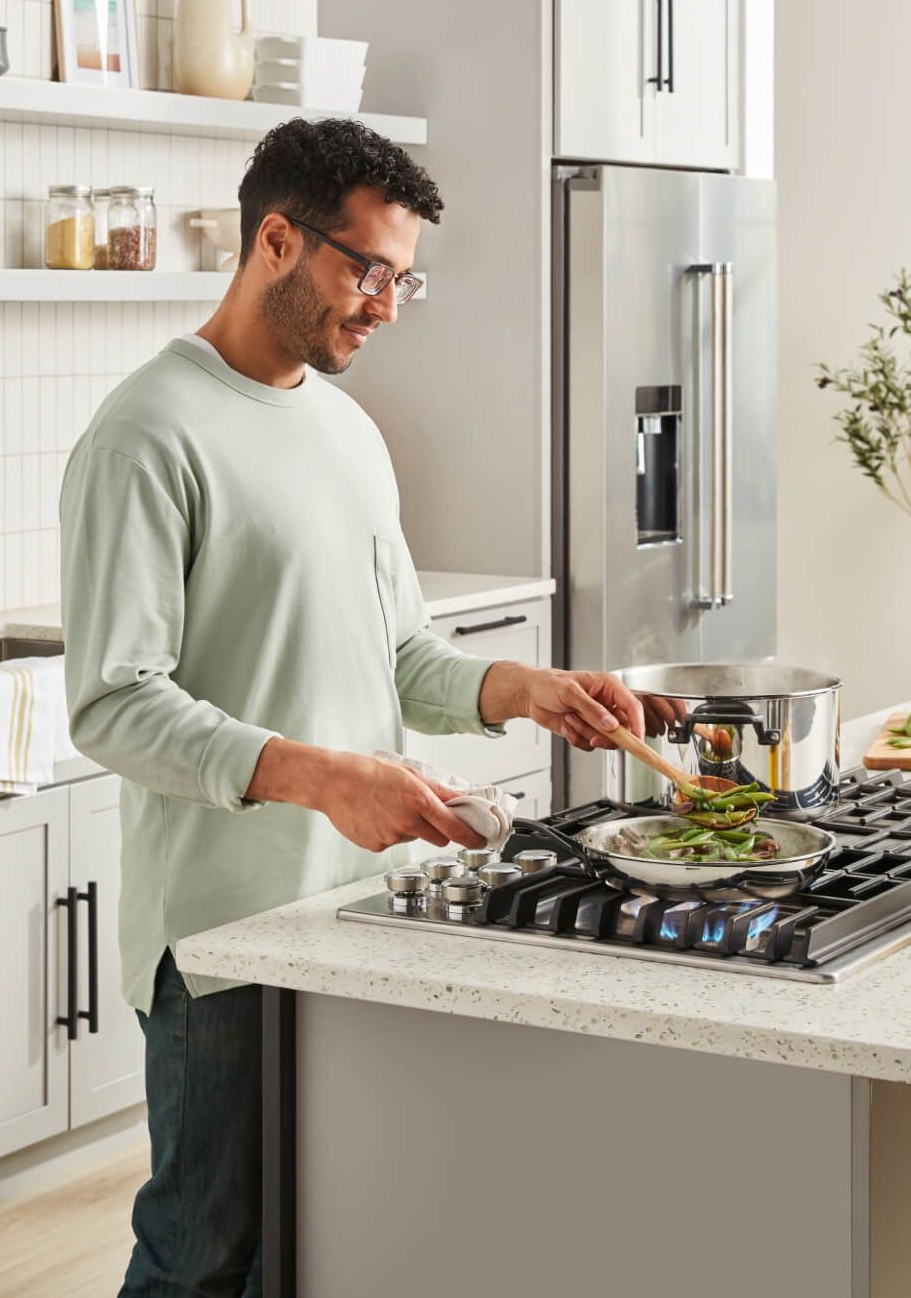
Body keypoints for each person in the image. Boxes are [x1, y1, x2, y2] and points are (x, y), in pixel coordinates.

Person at [60, 117, 643, 1298]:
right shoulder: (145, 433)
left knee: (322, 1246)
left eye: (402, 276)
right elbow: (114, 703)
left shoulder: (346, 429)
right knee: (199, 1256)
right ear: (276, 239)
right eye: (366, 268)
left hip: (361, 914)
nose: (386, 302)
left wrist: (522, 689)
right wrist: (326, 775)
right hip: (222, 937)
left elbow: (400, 654)